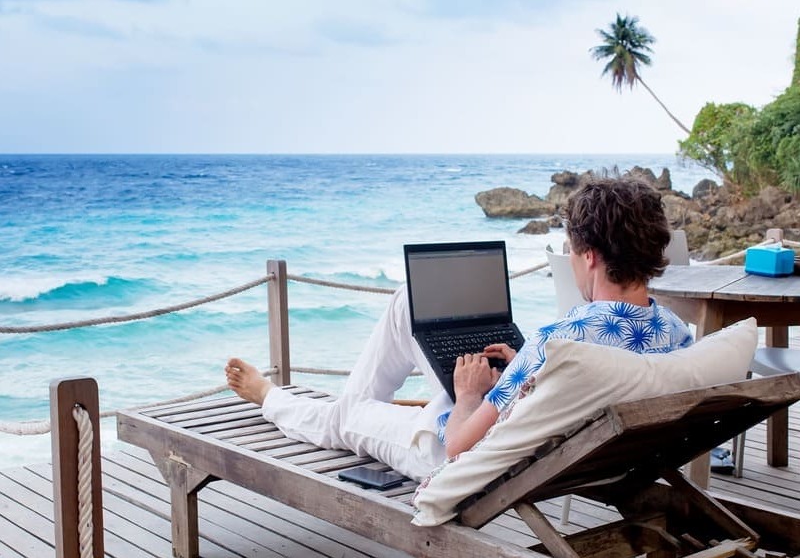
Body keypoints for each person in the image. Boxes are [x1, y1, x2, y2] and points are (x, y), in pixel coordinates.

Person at [226, 174, 693, 482]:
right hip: (563, 441)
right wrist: (522, 372)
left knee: (345, 416)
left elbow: (458, 446)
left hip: (468, 454)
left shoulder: (564, 338)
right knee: (411, 301)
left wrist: (470, 393)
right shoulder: (676, 335)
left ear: (589, 255)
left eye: (570, 250)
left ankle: (271, 398)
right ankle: (354, 402)